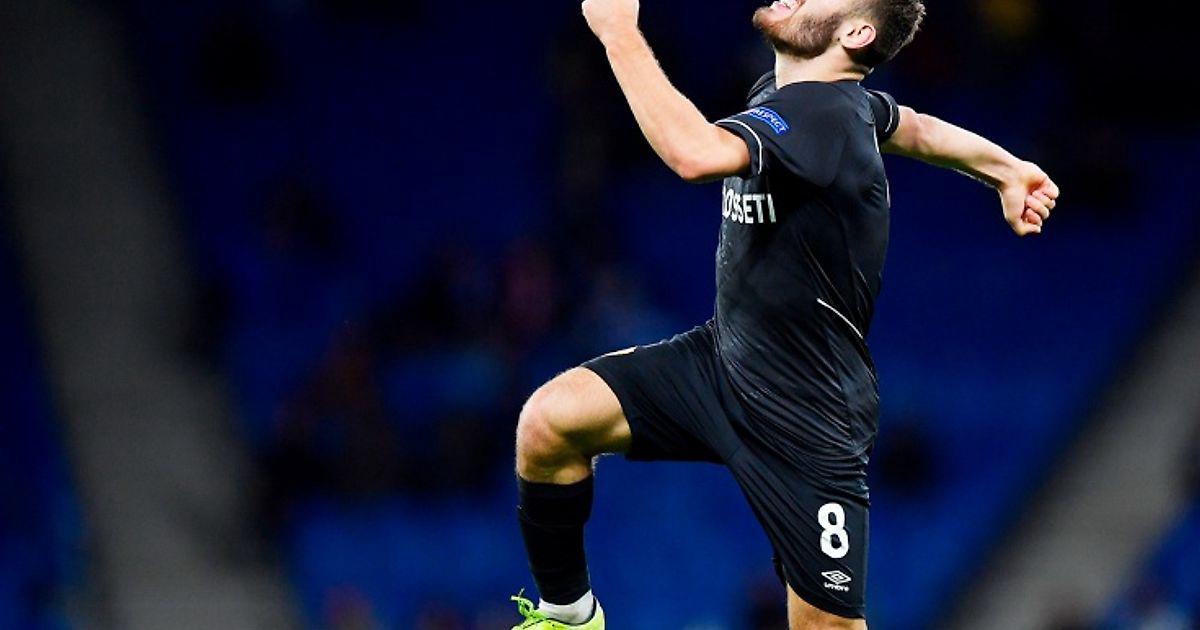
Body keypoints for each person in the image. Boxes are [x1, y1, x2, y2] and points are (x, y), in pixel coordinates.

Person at [509, 0, 1060, 628]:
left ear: (856, 33)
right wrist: (1006, 170)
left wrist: (619, 34)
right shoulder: (816, 101)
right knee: (550, 424)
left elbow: (693, 154)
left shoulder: (822, 113)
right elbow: (911, 126)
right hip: (722, 364)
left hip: (809, 417)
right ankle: (568, 617)